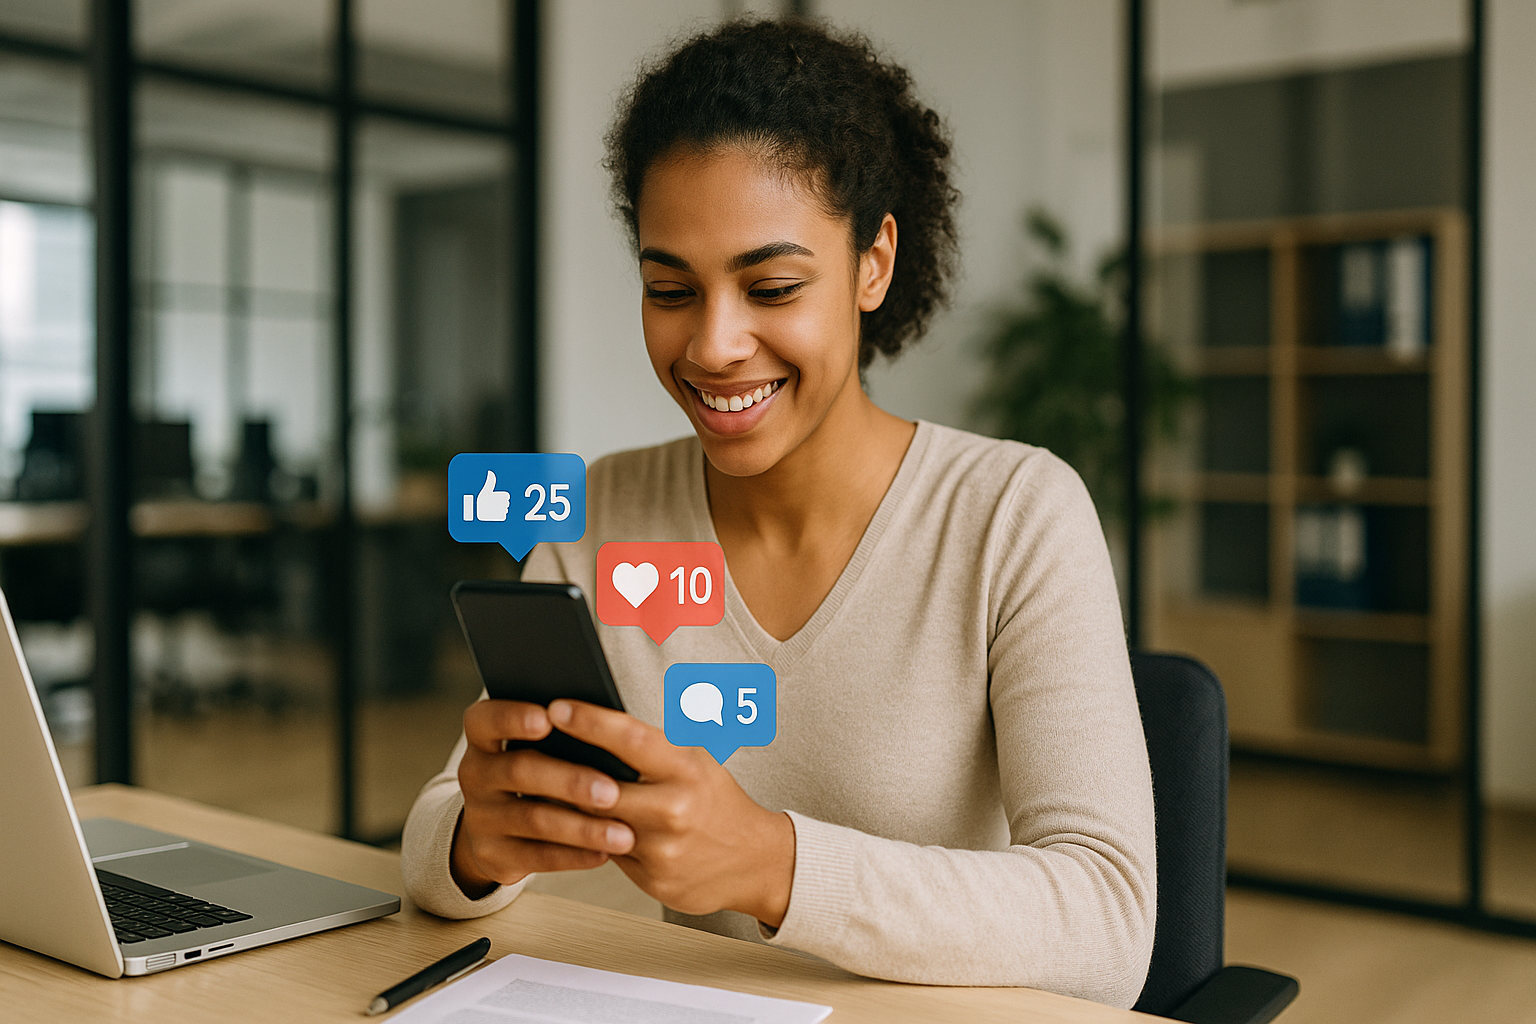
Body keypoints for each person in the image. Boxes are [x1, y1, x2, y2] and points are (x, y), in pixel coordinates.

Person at [402, 18, 1155, 1008]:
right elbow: (429, 844)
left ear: (873, 262)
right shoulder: (602, 519)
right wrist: (475, 843)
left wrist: (774, 864)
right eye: (671, 286)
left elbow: (1108, 920)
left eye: (772, 285)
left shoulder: (1013, 515)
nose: (713, 344)